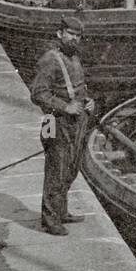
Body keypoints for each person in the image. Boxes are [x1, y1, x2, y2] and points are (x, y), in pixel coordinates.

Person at [28, 14, 95, 236]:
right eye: (71, 34)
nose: (74, 39)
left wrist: (87, 101)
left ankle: (62, 211)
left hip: (76, 121)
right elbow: (38, 93)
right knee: (56, 170)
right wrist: (64, 107)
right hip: (56, 122)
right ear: (60, 34)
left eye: (78, 36)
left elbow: (77, 88)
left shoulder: (74, 57)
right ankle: (50, 219)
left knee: (71, 168)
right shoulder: (50, 59)